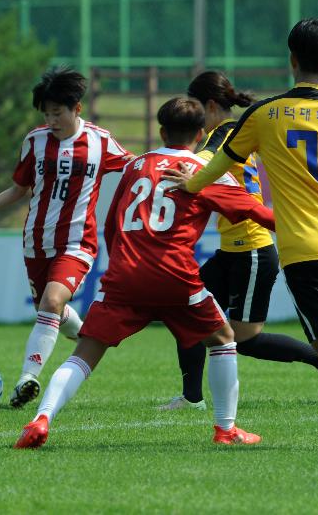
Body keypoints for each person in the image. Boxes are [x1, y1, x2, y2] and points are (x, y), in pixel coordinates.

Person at [165, 19, 318, 451]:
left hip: (306, 248)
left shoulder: (265, 114)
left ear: (292, 59)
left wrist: (191, 185)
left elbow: (221, 163)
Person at [14, 97, 274, 449]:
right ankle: (226, 430)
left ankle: (41, 419)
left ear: (161, 130)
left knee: (85, 352)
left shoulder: (137, 165)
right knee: (223, 338)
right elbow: (254, 212)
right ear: (201, 133)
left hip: (125, 274)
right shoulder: (203, 170)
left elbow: (111, 223)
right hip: (174, 275)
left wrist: (120, 261)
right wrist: (301, 225)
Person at [0, 67, 132, 408]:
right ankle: (85, 336)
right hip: (35, 242)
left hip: (78, 242)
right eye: (47, 114)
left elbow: (134, 165)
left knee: (51, 303)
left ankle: (27, 378)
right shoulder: (35, 142)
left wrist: (171, 167)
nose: (52, 120)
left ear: (76, 109)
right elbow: (19, 188)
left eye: (58, 113)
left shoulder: (100, 140)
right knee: (48, 309)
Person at [160, 71, 318, 412]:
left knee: (245, 339)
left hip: (253, 250)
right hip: (230, 251)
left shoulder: (222, 137)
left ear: (209, 105)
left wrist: (182, 167)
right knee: (187, 311)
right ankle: (192, 398)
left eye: (195, 108)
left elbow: (203, 162)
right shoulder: (235, 133)